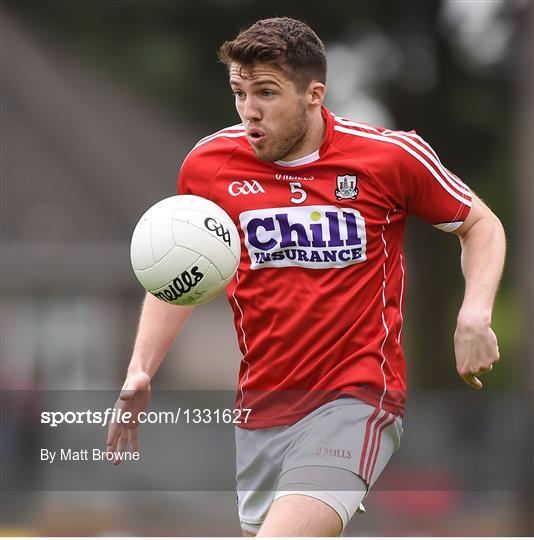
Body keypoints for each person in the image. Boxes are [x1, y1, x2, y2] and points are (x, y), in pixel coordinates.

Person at [106, 17, 505, 537]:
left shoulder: (389, 157)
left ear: (314, 95)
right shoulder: (208, 165)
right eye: (239, 93)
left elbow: (480, 224)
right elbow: (180, 277)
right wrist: (142, 368)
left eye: (266, 93)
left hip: (356, 398)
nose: (249, 110)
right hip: (261, 411)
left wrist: (474, 314)